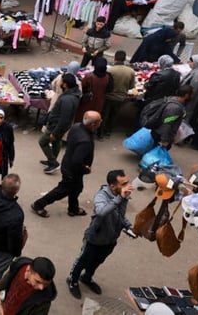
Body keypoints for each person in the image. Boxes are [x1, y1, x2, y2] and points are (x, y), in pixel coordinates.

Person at [66, 169, 134, 299]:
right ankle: (72, 280)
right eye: (123, 183)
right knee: (83, 260)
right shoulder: (101, 196)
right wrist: (120, 198)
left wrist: (129, 226)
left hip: (110, 239)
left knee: (97, 261)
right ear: (112, 186)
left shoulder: (123, 195)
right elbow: (101, 212)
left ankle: (86, 278)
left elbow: (120, 215)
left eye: (127, 182)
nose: (127, 186)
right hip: (95, 238)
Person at [31, 111, 101, 218]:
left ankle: (73, 209)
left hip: (68, 163)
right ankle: (38, 204)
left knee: (77, 188)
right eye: (99, 121)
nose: (101, 122)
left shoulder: (76, 127)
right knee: (62, 191)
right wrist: (86, 169)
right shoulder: (85, 141)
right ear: (93, 124)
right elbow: (77, 161)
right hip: (73, 170)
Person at [38, 73, 81, 174]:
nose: (59, 83)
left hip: (56, 125)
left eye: (61, 81)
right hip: (59, 125)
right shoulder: (72, 94)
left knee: (43, 141)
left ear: (65, 84)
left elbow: (64, 118)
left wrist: (55, 132)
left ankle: (53, 163)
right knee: (56, 142)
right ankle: (51, 160)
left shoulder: (68, 99)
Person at [100, 51, 135, 138]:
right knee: (114, 115)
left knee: (104, 115)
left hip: (108, 96)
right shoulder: (130, 71)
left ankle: (100, 133)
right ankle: (108, 132)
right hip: (120, 98)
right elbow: (131, 86)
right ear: (125, 59)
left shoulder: (109, 70)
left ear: (115, 58)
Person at [75, 57, 111, 125]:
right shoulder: (108, 77)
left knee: (82, 117)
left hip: (87, 101)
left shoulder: (89, 76)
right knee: (94, 119)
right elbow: (109, 89)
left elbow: (82, 88)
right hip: (99, 102)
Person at [179, 54, 198, 125]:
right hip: (187, 99)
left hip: (190, 102)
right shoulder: (196, 70)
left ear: (196, 63)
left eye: (190, 62)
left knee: (185, 119)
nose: (189, 63)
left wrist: (183, 98)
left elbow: (192, 91)